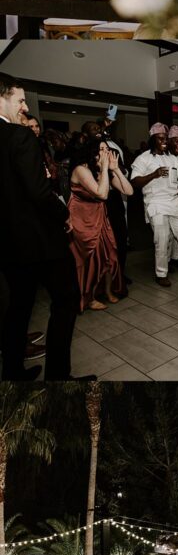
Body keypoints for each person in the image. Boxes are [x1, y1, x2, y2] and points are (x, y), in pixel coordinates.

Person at [0, 74, 92, 382]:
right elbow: (39, 192)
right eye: (20, 100)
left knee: (18, 308)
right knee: (66, 302)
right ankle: (58, 378)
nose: (25, 107)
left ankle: (13, 374)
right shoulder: (18, 136)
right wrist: (63, 214)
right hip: (40, 240)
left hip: (8, 243)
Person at [130, 123, 178, 286]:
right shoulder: (143, 158)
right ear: (152, 140)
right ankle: (161, 274)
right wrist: (153, 175)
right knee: (161, 240)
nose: (164, 141)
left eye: (165, 138)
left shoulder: (172, 158)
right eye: (160, 139)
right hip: (155, 202)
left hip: (174, 201)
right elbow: (134, 181)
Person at [68, 139, 132, 311]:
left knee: (110, 253)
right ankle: (87, 297)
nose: (106, 153)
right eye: (101, 149)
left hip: (100, 218)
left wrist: (115, 169)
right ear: (92, 152)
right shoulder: (82, 169)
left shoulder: (102, 171)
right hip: (82, 219)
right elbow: (102, 194)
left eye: (107, 149)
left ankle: (108, 290)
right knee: (89, 258)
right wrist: (104, 169)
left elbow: (129, 191)